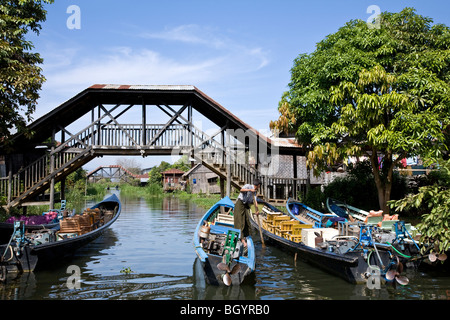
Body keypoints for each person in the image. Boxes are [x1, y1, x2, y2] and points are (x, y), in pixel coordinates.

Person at [234, 179, 261, 248]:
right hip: (240, 204)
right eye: (259, 186)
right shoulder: (248, 186)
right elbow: (241, 190)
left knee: (247, 221)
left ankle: (246, 237)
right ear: (258, 185)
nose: (259, 187)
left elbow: (255, 202)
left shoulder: (254, 192)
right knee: (240, 222)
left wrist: (257, 210)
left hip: (245, 205)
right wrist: (249, 190)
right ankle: (242, 240)